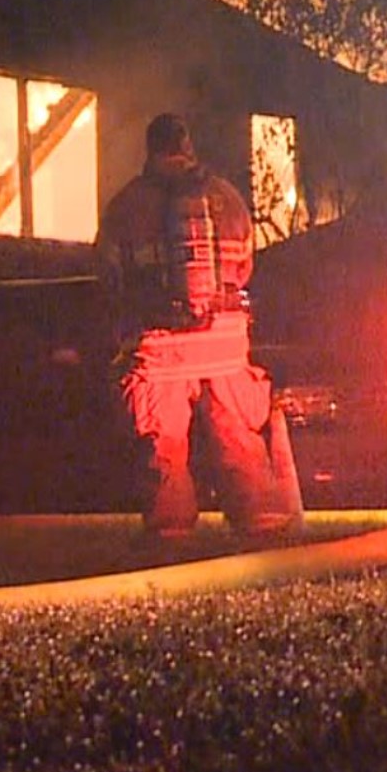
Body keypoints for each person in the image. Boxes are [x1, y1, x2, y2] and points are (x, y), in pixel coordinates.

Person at [96, 114, 290, 540]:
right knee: (237, 435)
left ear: (150, 150)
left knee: (163, 446)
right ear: (188, 146)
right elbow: (245, 268)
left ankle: (171, 533)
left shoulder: (126, 205)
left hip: (160, 350)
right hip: (224, 342)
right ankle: (263, 522)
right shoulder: (227, 197)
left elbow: (109, 277)